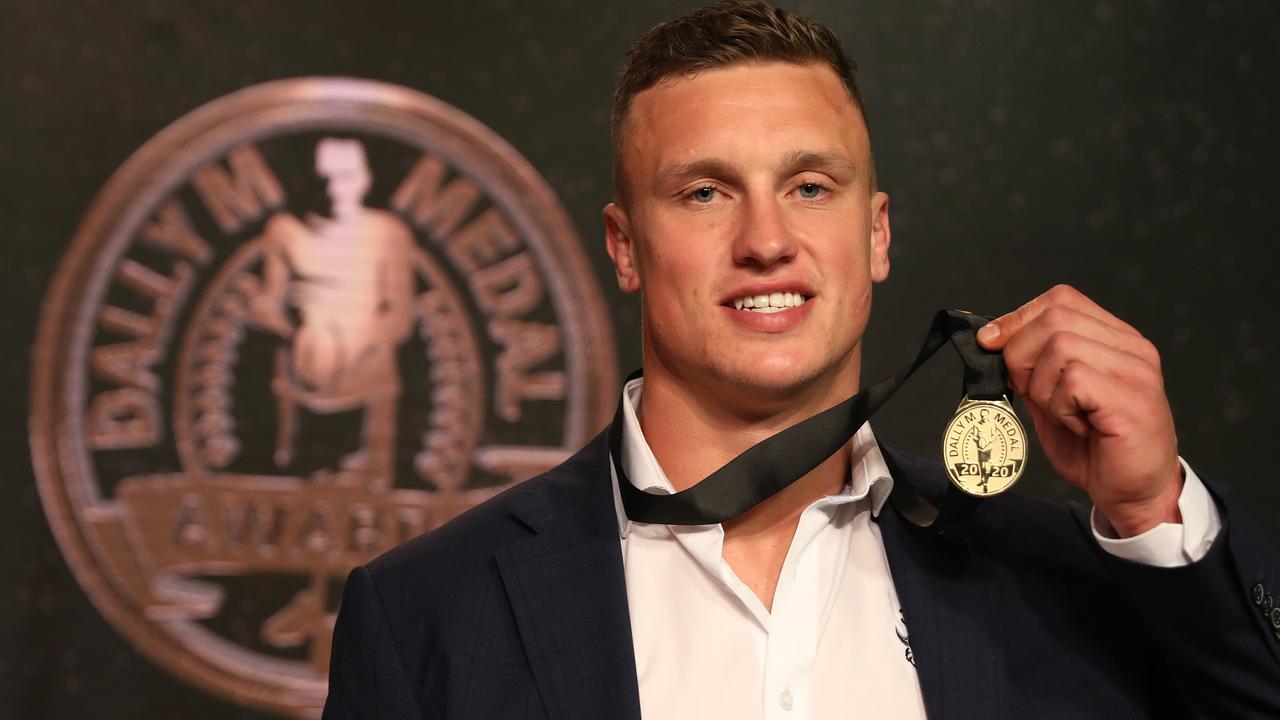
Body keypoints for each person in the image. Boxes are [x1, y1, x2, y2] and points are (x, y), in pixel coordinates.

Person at [322, 2, 1280, 718]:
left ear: (877, 235)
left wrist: (1154, 513)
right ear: (624, 248)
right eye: (704, 193)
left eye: (810, 186)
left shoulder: (1064, 586)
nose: (767, 240)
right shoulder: (428, 616)